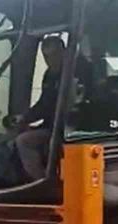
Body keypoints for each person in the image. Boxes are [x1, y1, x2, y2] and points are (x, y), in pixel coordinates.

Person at [14, 36, 91, 181]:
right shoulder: (50, 75)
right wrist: (25, 118)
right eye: (46, 57)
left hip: (76, 128)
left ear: (64, 52)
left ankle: (43, 183)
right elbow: (44, 103)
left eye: (54, 55)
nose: (50, 61)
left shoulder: (80, 70)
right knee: (20, 134)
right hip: (53, 127)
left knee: (24, 142)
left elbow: (79, 102)